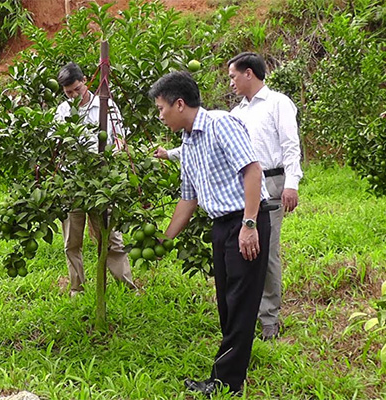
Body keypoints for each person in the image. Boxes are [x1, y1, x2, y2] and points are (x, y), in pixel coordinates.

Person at [156, 53, 303, 340]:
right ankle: (235, 348)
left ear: (249, 73)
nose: (231, 82)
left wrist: (291, 184)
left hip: (266, 183)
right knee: (231, 289)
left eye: (233, 76)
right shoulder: (232, 115)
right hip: (233, 202)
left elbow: (284, 148)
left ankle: (268, 318)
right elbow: (199, 163)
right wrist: (166, 236)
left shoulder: (275, 104)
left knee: (266, 255)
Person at [149, 71, 271, 396]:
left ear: (179, 104)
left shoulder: (220, 124)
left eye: (161, 108)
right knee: (227, 302)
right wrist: (166, 237)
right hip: (221, 226)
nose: (160, 116)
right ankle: (235, 364)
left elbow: (252, 170)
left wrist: (249, 224)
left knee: (240, 301)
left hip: (245, 220)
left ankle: (225, 382)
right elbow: (188, 199)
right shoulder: (187, 144)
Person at [54, 62, 136, 295]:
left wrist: (116, 160)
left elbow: (120, 138)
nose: (73, 95)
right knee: (72, 241)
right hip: (72, 183)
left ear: (85, 81)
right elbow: (55, 142)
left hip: (102, 183)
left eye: (76, 89)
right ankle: (76, 288)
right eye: (67, 92)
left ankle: (126, 287)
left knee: (111, 238)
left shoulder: (106, 105)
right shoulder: (63, 110)